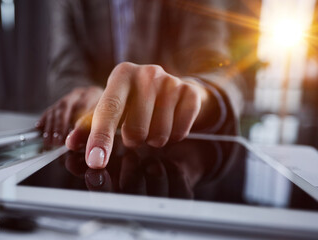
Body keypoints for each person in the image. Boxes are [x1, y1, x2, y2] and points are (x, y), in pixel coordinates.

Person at [37, 0, 245, 169]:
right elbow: (64, 70)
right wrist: (85, 93)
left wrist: (194, 94)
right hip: (86, 166)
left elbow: (222, 72)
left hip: (174, 154)